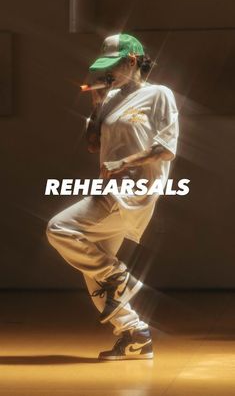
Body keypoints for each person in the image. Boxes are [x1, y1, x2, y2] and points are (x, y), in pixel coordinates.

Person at [46, 33, 179, 360]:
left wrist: (125, 162)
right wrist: (97, 107)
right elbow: (94, 145)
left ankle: (118, 275)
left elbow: (166, 149)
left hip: (133, 191)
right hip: (110, 188)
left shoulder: (158, 95)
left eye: (113, 65)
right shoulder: (111, 98)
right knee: (92, 270)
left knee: (59, 229)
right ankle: (135, 334)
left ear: (131, 61)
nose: (107, 72)